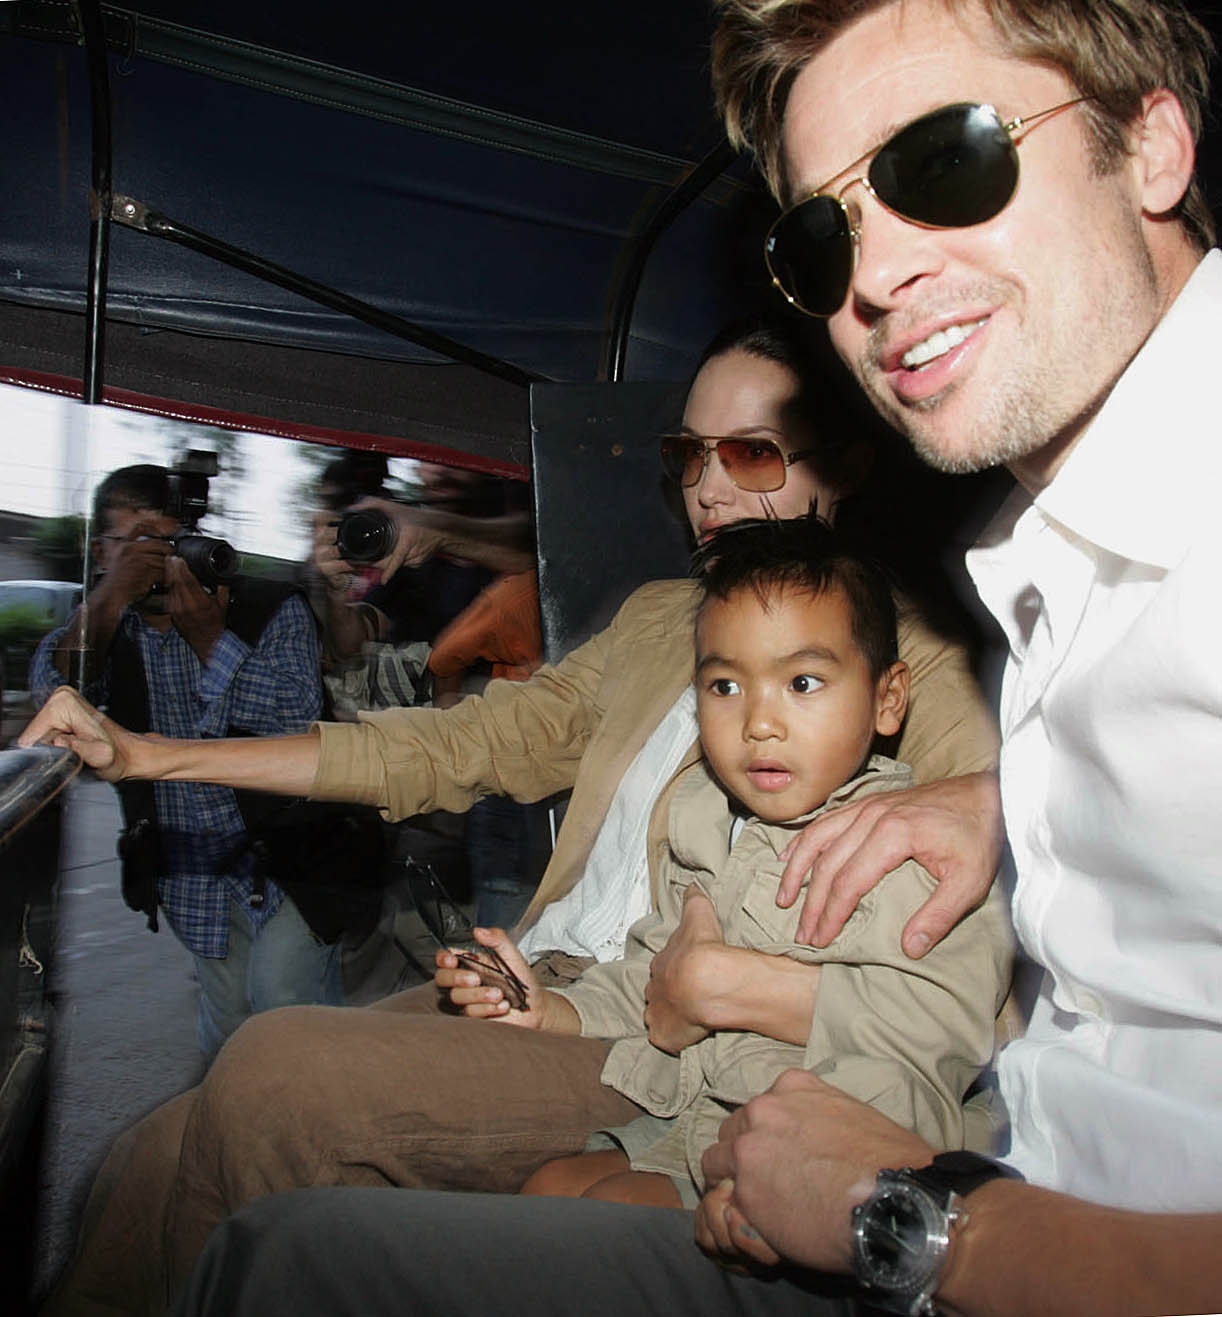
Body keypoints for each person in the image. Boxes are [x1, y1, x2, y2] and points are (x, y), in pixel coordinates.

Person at [168, 1, 1222, 1314]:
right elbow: (463, 745)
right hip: (827, 1117)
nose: (875, 274)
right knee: (199, 1154)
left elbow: (940, 1000)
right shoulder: (1040, 576)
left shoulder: (951, 638)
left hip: (918, 1194)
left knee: (282, 1205)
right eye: (820, 234)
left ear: (1154, 145)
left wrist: (925, 1215)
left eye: (944, 160)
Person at [22, 320, 1001, 1316]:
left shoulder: (911, 665)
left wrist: (731, 986)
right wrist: (151, 753)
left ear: (844, 468)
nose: (707, 487)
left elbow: (989, 971)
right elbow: (445, 748)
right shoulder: (663, 620)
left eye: (750, 453)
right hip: (546, 982)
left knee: (274, 1079)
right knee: (158, 1145)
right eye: (687, 456)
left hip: (662, 1055)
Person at [438, 516, 1011, 1209]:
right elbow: (651, 975)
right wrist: (550, 1009)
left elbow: (949, 1025)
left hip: (832, 1144)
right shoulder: (703, 818)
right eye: (725, 687)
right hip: (695, 1115)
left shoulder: (908, 843)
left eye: (802, 683)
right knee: (551, 1186)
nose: (758, 722)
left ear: (888, 697)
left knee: (598, 1216)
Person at [30, 464, 338, 1060]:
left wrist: (211, 640)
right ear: (104, 550)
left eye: (175, 543)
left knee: (287, 1012)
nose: (164, 563)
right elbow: (52, 710)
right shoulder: (99, 628)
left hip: (296, 859)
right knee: (227, 1027)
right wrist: (110, 598)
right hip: (191, 872)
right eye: (144, 544)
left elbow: (299, 722)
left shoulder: (269, 607)